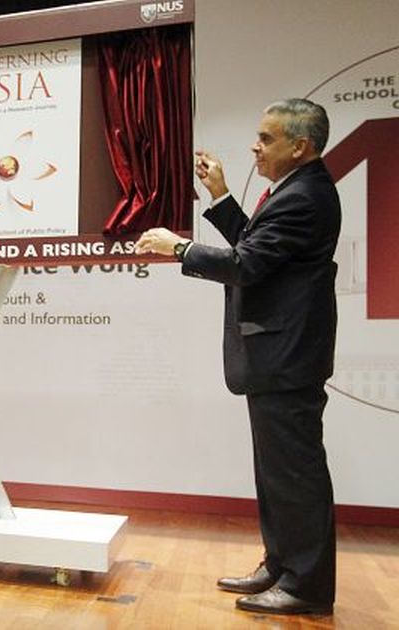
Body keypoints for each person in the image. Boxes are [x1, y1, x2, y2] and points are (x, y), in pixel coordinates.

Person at [134, 98, 340, 616]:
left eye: (266, 138)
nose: (255, 145)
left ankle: (307, 586)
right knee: (275, 473)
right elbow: (257, 245)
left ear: (301, 146)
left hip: (287, 357)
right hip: (280, 356)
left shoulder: (306, 196)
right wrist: (221, 195)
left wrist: (178, 248)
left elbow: (246, 263)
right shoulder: (295, 190)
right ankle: (281, 563)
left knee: (295, 474)